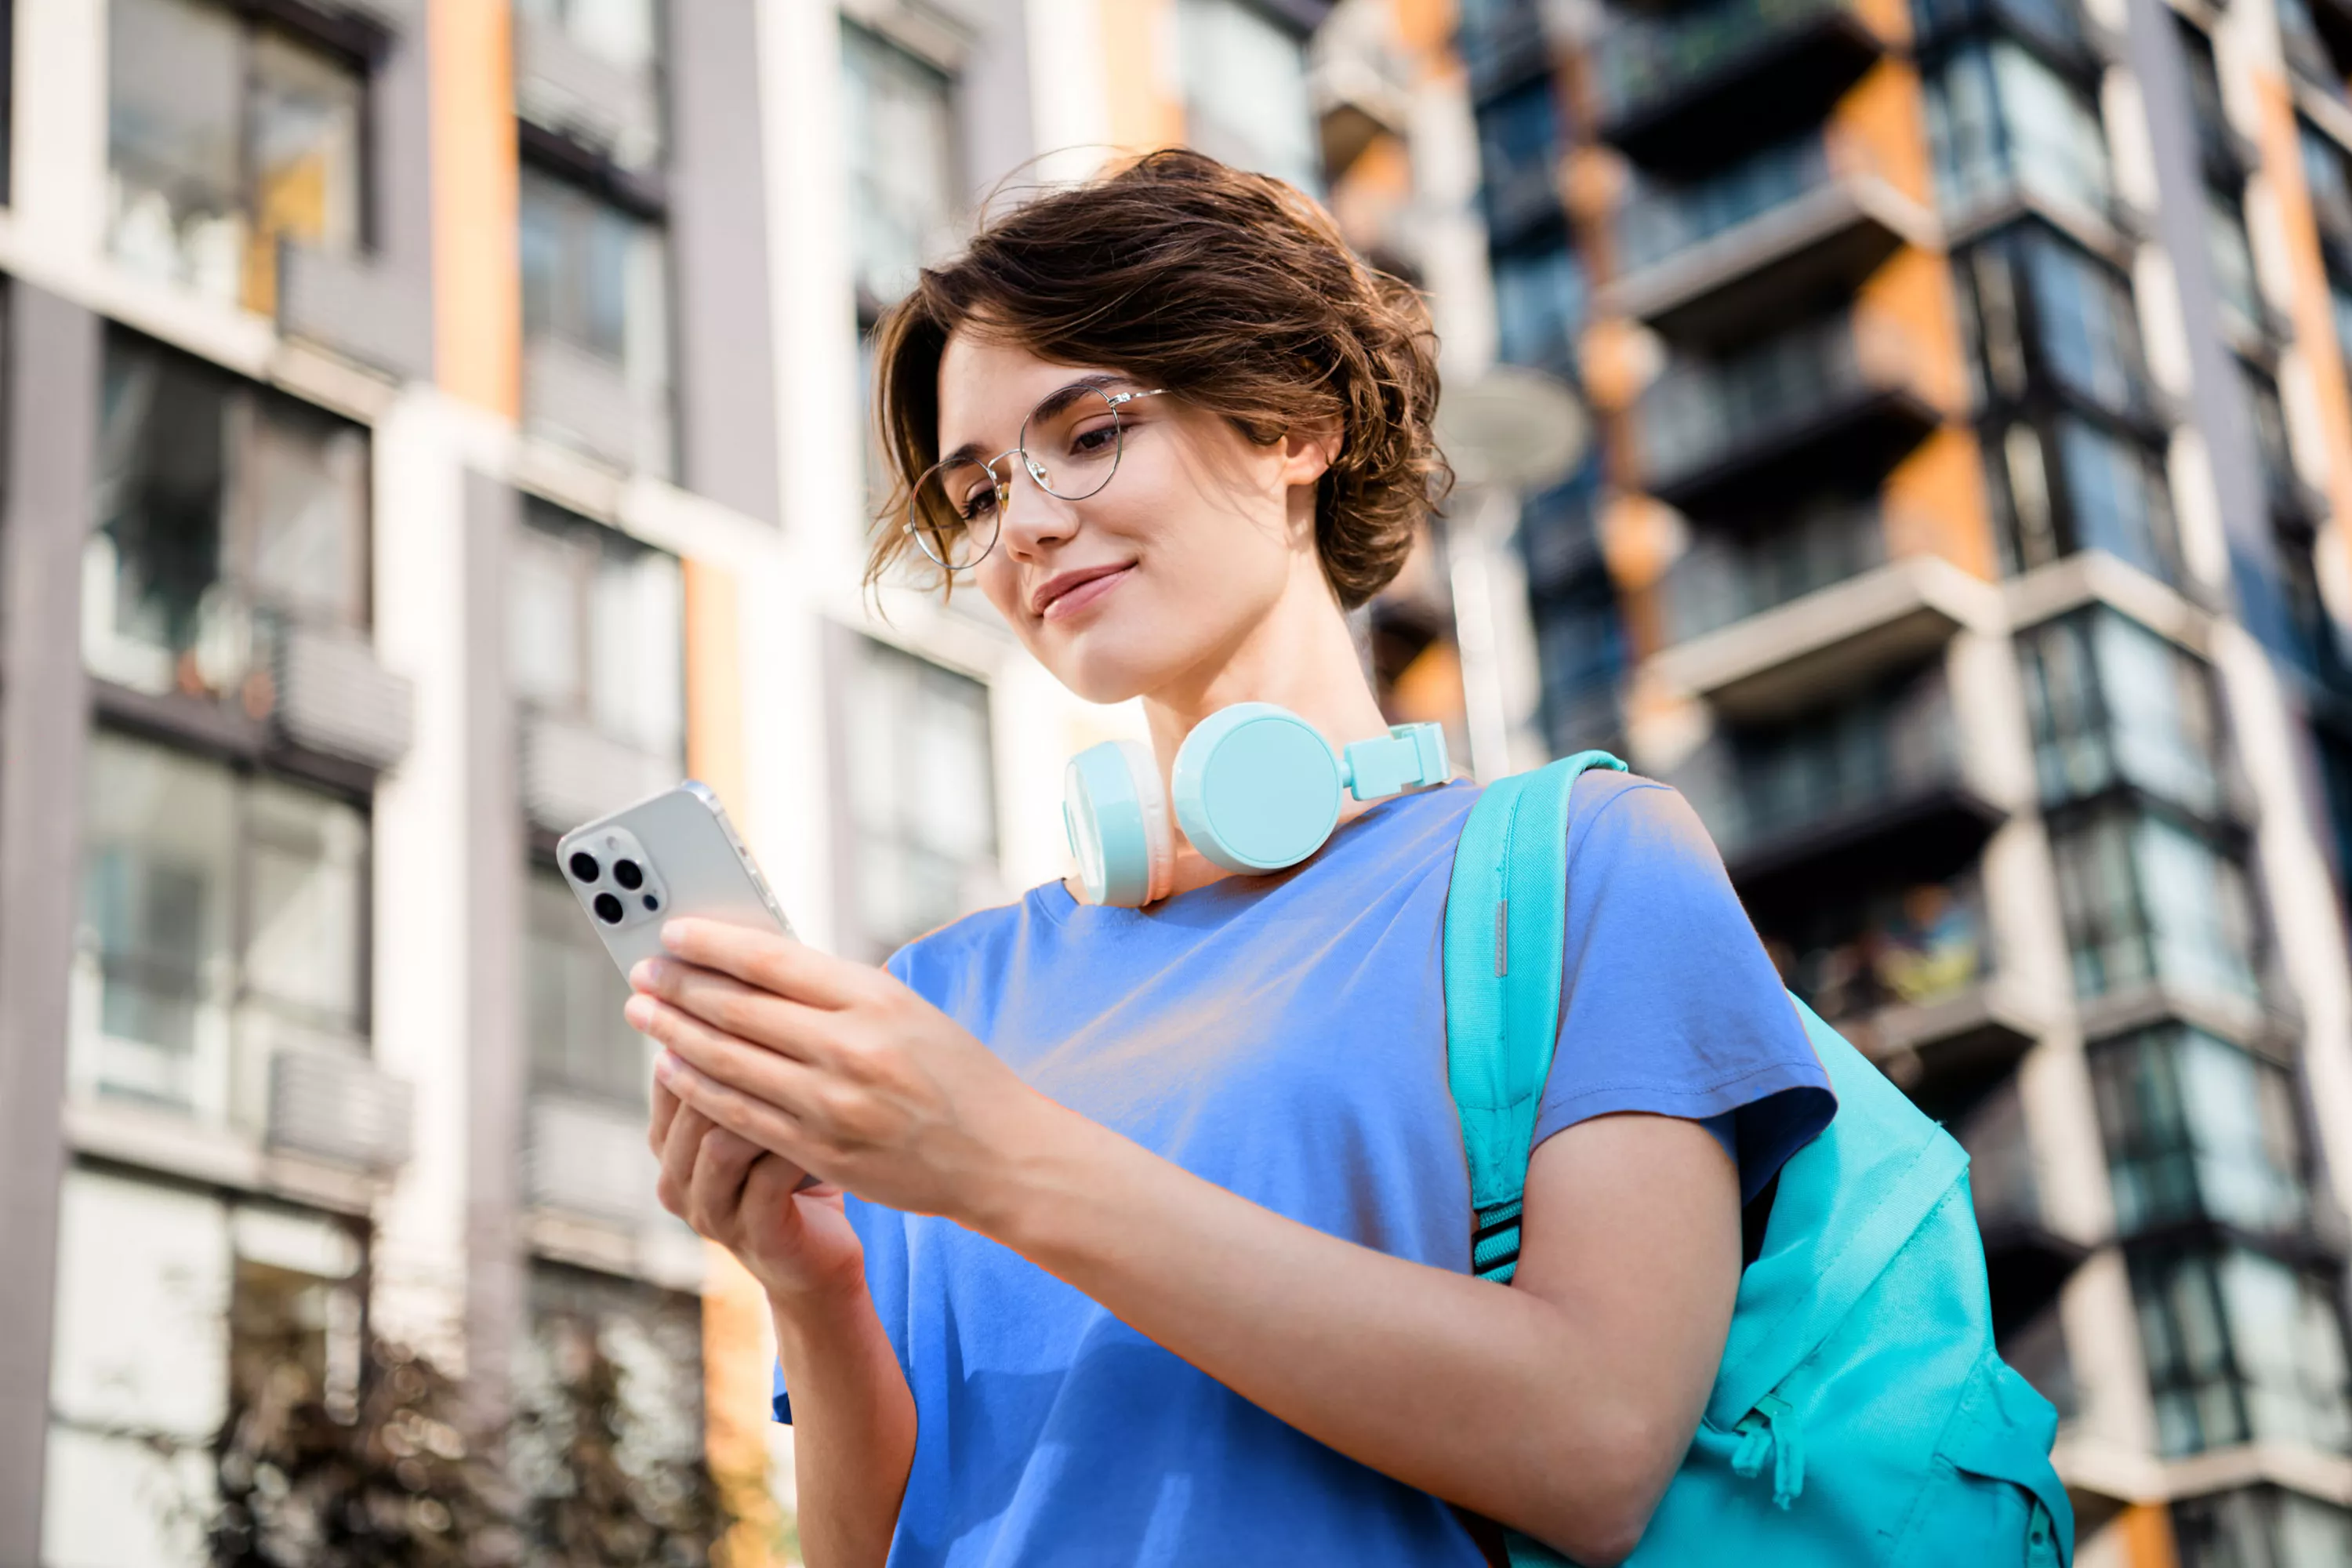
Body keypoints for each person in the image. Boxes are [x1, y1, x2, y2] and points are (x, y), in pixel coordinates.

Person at [623, 150, 1835, 1567]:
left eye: (1087, 434)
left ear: (1294, 424)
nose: (1024, 525)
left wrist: (1000, 1160)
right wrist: (810, 1283)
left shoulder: (1579, 868)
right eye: (978, 493)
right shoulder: (941, 1000)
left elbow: (1596, 1446)